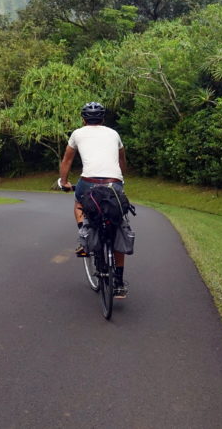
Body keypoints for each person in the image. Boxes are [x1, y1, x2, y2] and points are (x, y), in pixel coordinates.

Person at [57, 101, 129, 298]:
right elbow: (122, 160)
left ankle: (84, 235)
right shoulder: (114, 134)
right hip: (114, 184)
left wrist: (63, 181)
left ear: (83, 119)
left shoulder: (77, 134)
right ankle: (119, 283)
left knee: (79, 202)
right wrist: (121, 177)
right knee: (116, 227)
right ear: (103, 119)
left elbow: (67, 160)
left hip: (88, 183)